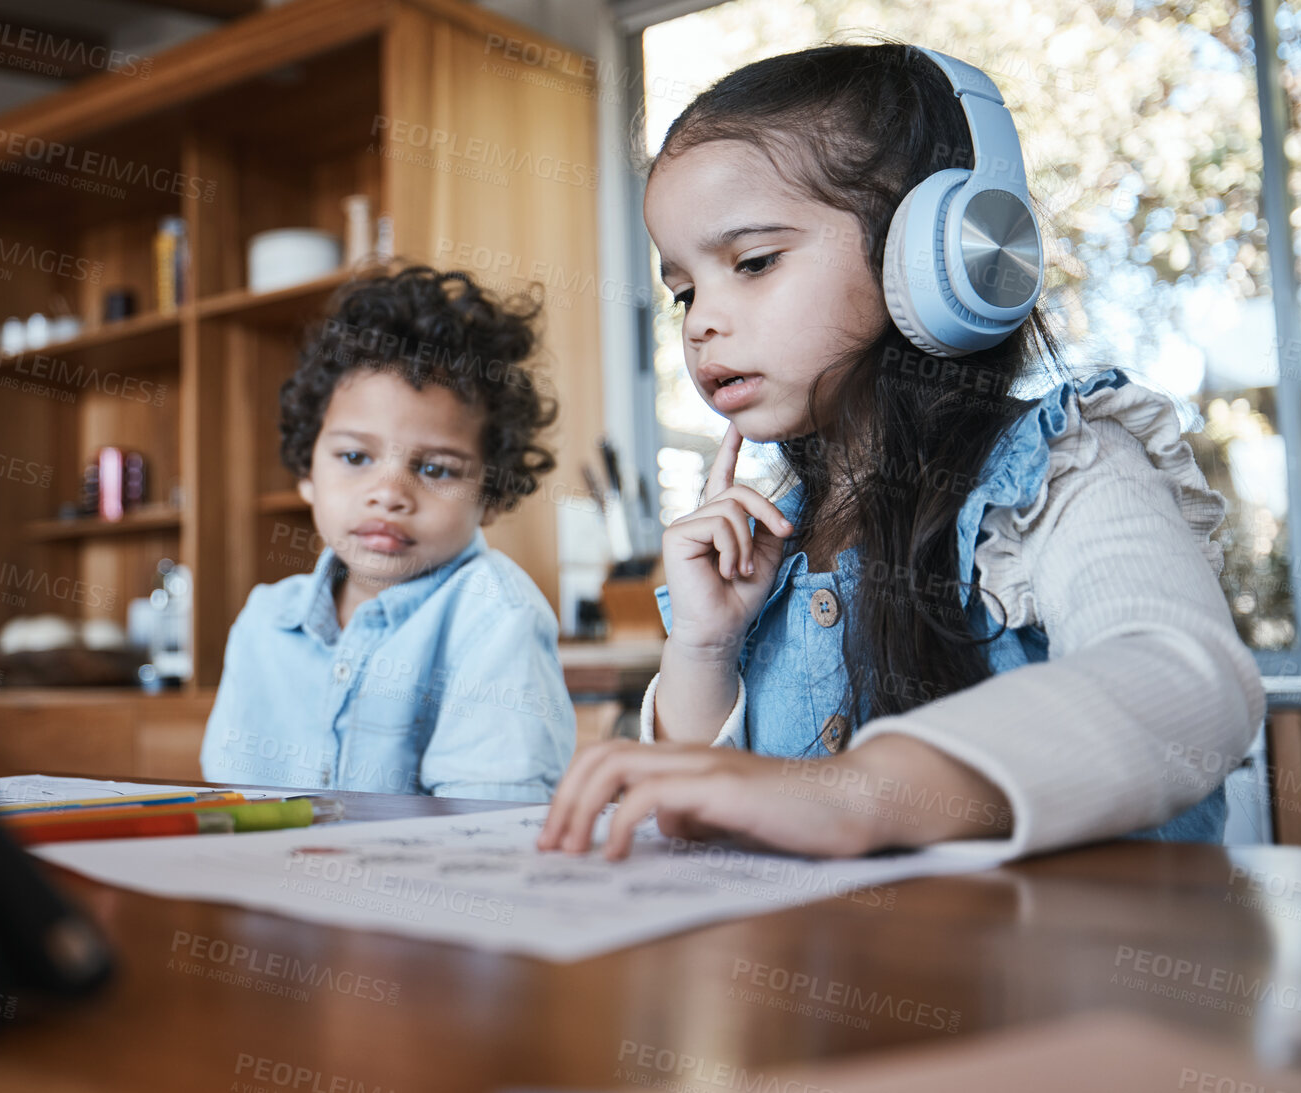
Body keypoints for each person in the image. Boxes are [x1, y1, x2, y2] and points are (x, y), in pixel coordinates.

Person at [538, 42, 1263, 859]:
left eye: (752, 262)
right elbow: (702, 828)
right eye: (683, 290)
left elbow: (1186, 689)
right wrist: (703, 648)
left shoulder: (1062, 466)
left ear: (936, 252)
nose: (700, 319)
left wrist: (862, 792)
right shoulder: (766, 535)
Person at [199, 265, 575, 801]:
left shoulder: (497, 620)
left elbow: (489, 834)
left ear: (490, 496)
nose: (389, 492)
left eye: (438, 469)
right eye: (355, 457)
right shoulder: (264, 624)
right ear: (307, 471)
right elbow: (231, 803)